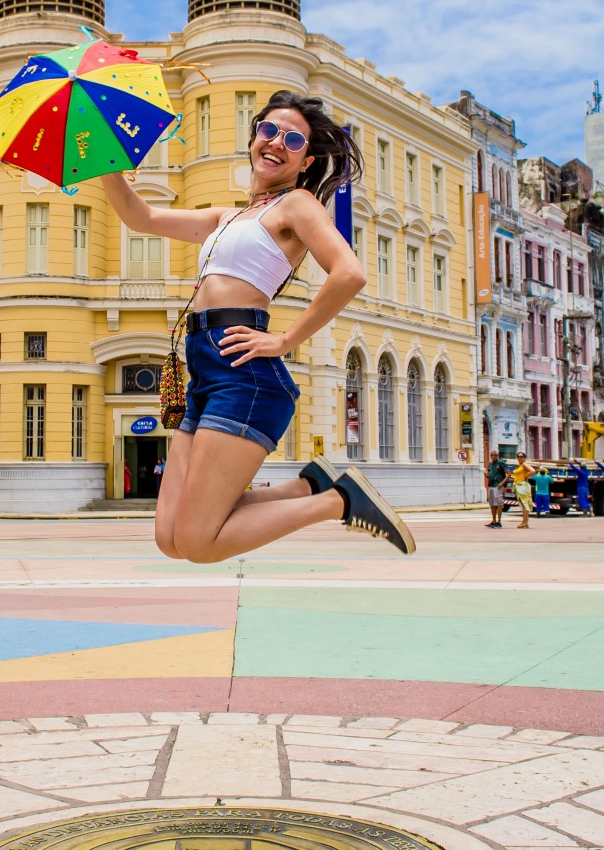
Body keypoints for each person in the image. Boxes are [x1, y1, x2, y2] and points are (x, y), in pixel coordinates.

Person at [100, 90, 410, 561]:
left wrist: (285, 339)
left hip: (244, 373)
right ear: (253, 139)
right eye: (269, 131)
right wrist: (104, 155)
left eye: (293, 139)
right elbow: (139, 216)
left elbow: (350, 273)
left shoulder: (297, 204)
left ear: (306, 161)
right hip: (204, 368)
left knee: (201, 542)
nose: (276, 143)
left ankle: (337, 501)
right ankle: (310, 485)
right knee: (171, 537)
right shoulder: (228, 217)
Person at [485, 451, 510, 529]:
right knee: (492, 504)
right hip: (491, 485)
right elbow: (489, 476)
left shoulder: (501, 463)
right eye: (491, 455)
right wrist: (486, 475)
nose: (493, 456)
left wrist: (502, 483)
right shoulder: (490, 464)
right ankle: (494, 521)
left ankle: (499, 522)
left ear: (497, 456)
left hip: (498, 486)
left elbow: (509, 473)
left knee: (499, 504)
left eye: (494, 455)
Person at [510, 452, 535, 529]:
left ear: (524, 458)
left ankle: (524, 522)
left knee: (524, 504)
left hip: (522, 486)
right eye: (518, 457)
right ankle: (525, 522)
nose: (519, 458)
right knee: (523, 504)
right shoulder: (519, 466)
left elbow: (533, 471)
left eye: (521, 457)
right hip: (519, 486)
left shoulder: (524, 464)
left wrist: (526, 476)